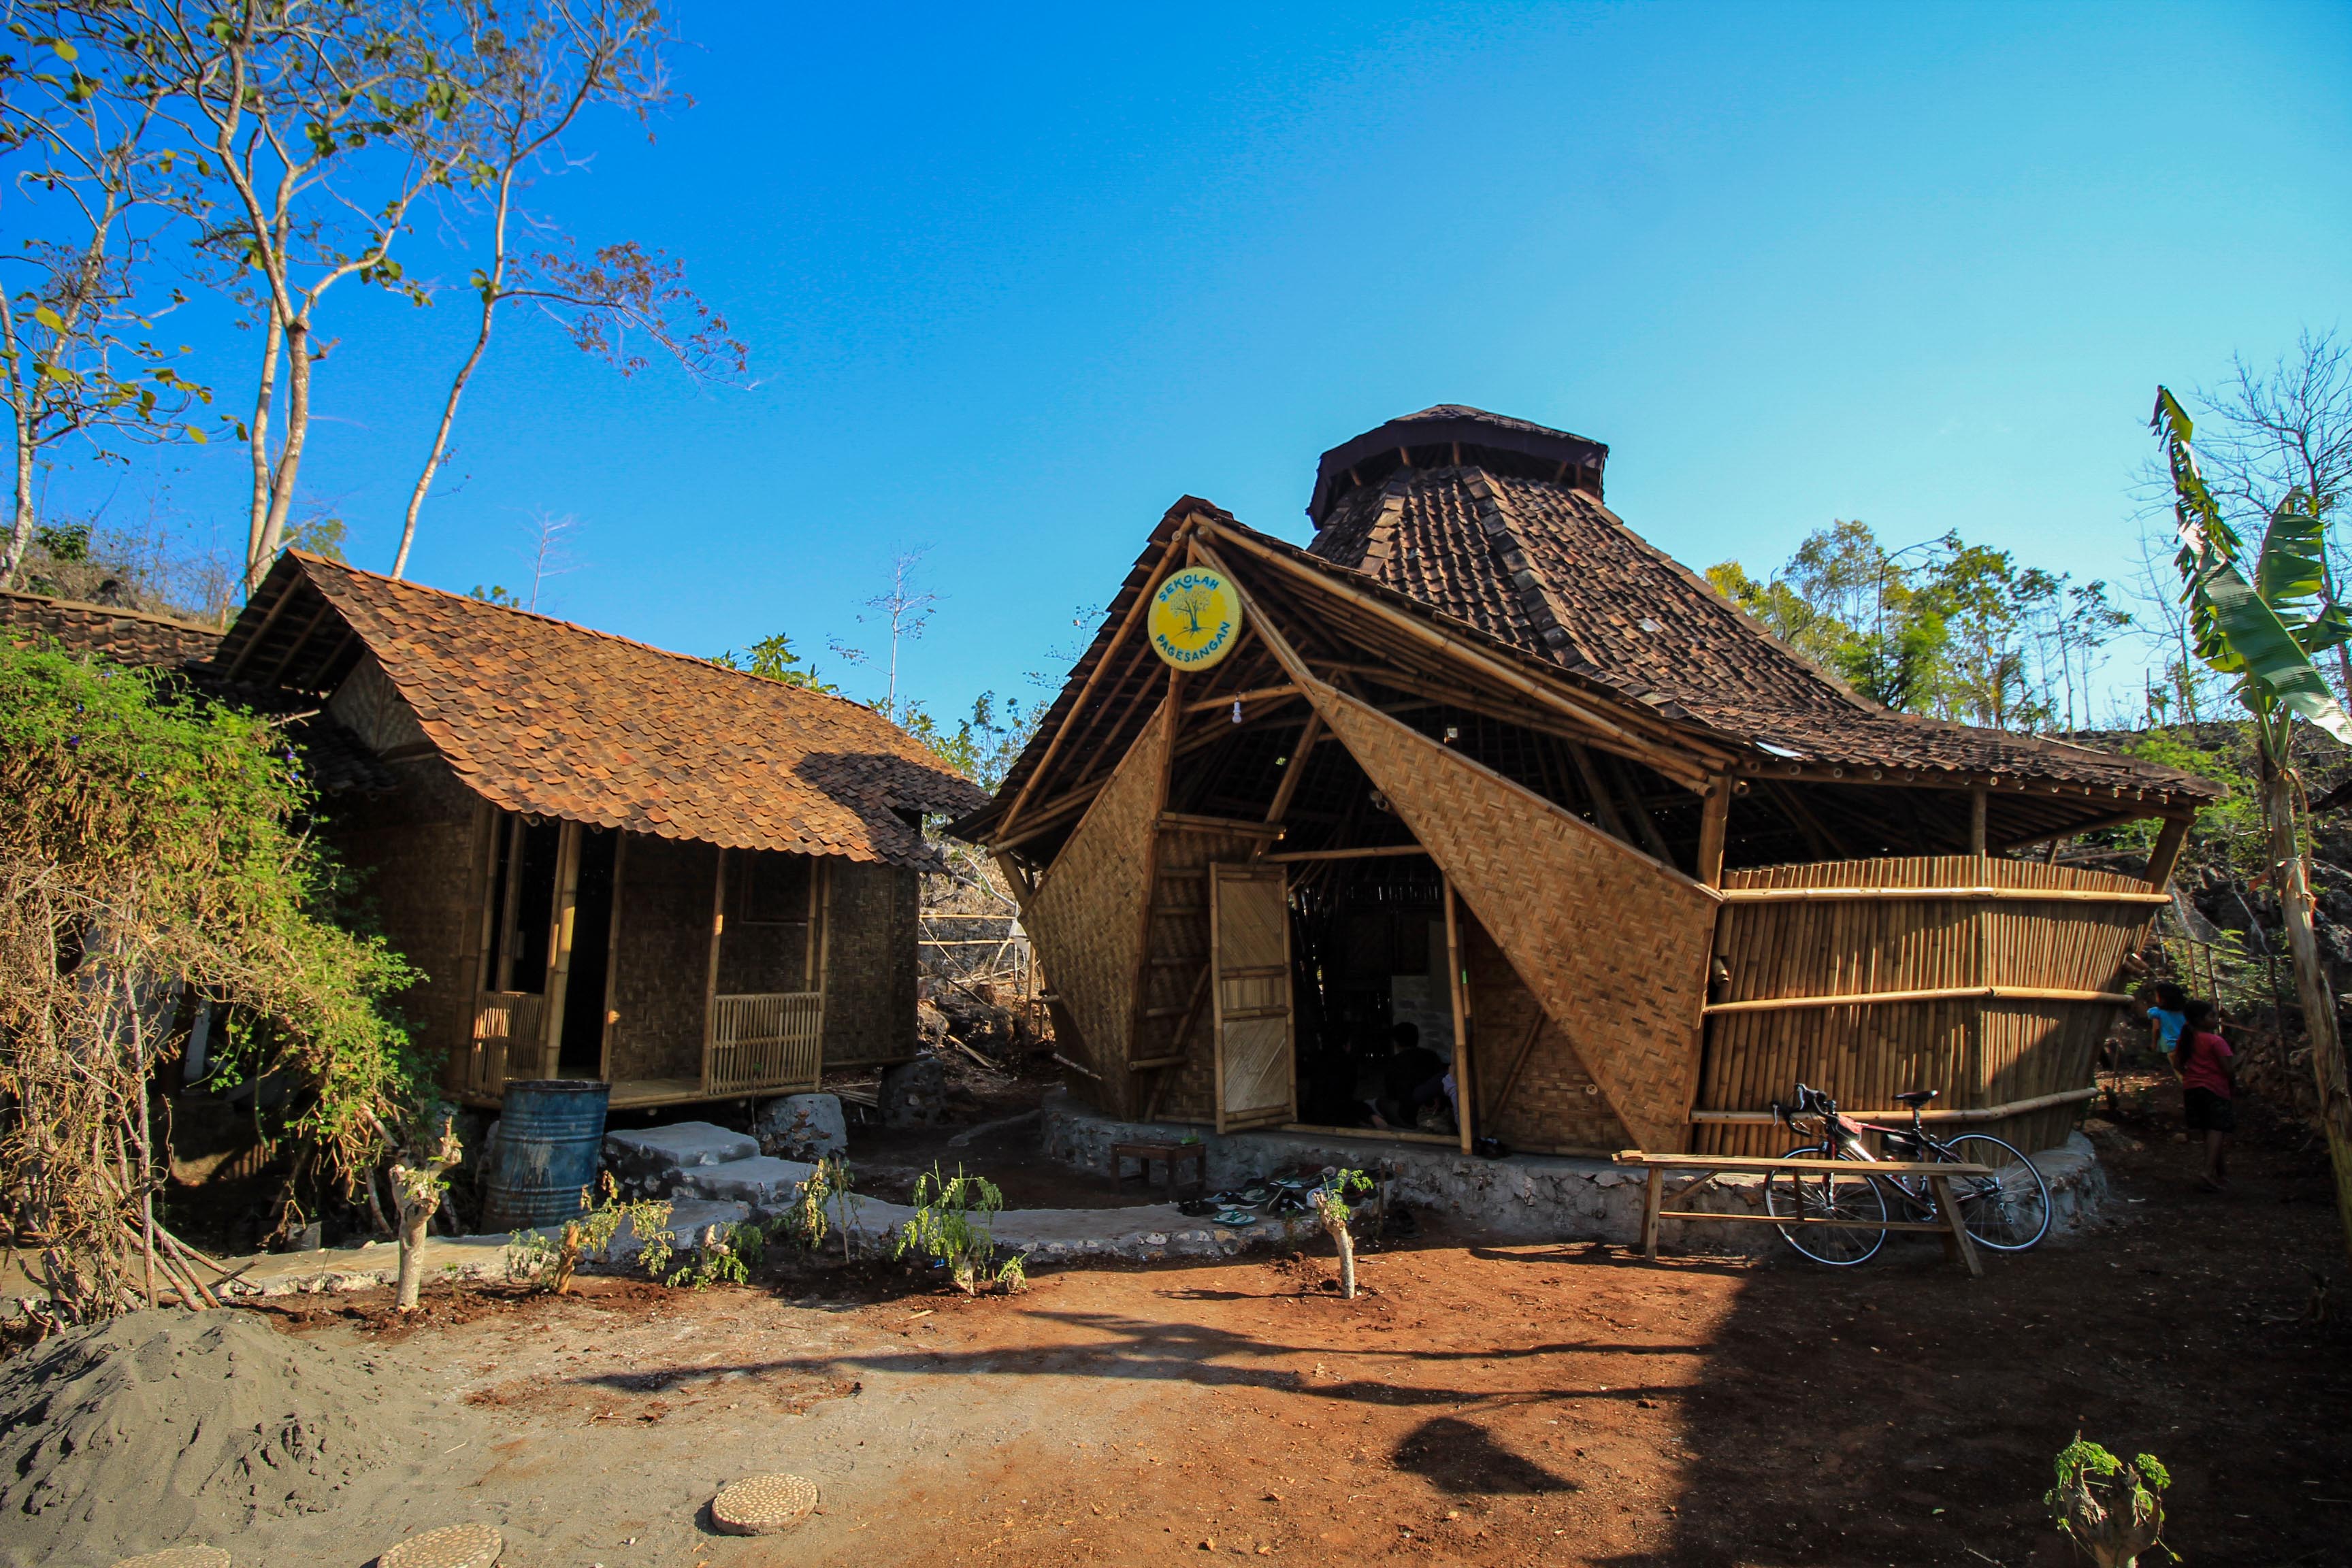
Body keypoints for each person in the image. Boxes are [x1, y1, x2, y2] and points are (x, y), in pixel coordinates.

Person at [2170, 998, 2236, 1192]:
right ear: (2200, 1019)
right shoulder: (2216, 1041)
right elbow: (2228, 1069)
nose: (2216, 1018)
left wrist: (2192, 1076)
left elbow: (2177, 1065)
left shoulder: (2187, 1039)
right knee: (2217, 1129)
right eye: (2212, 1015)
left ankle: (2221, 1173)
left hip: (2192, 1089)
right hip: (2215, 1089)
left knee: (2210, 1131)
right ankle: (2207, 1171)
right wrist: (2232, 1085)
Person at [2143, 981, 2189, 1070]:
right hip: (2188, 1045)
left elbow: (2156, 1029)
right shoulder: (2186, 1011)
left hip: (2171, 1046)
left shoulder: (2157, 1012)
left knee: (2180, 1072)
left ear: (2162, 999)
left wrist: (2154, 1045)